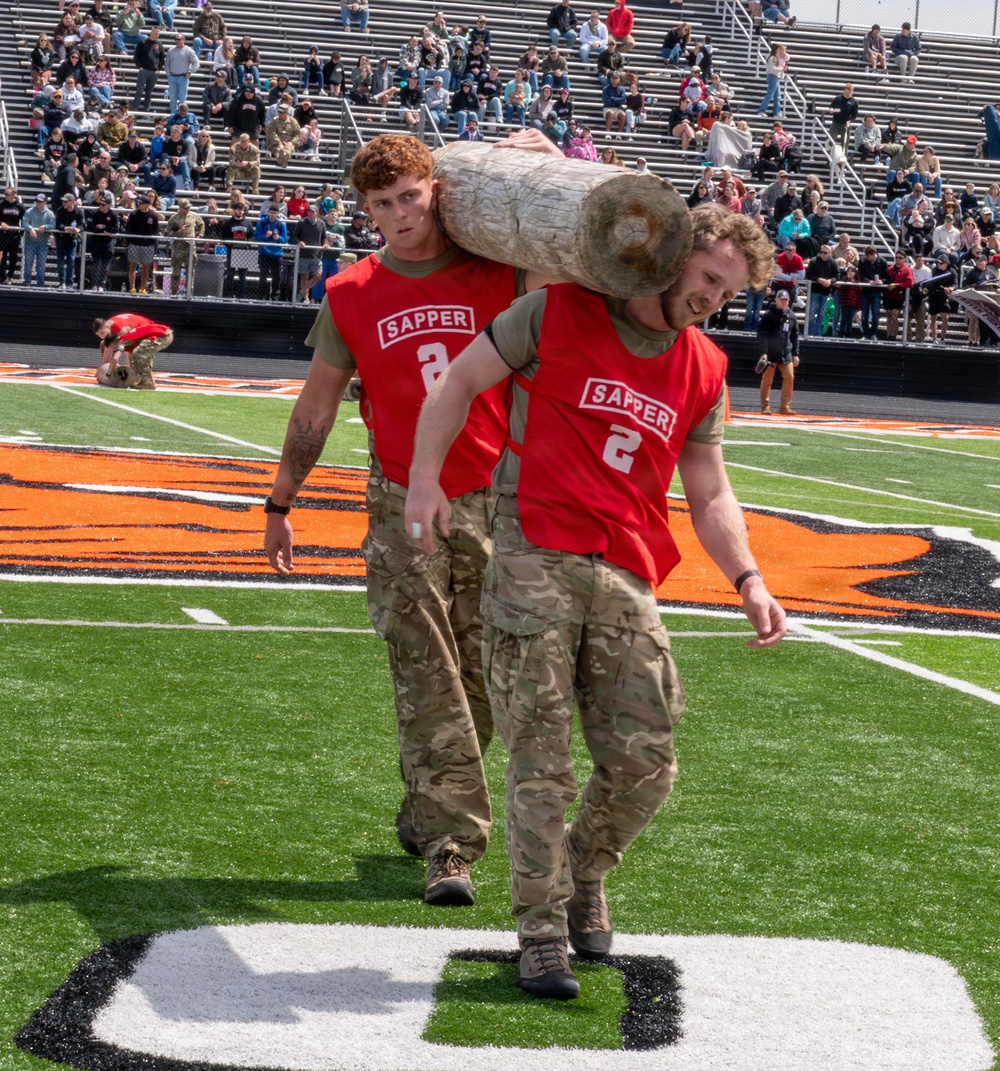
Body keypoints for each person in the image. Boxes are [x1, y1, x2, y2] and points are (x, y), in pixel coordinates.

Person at [404, 203, 785, 999]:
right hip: (535, 551)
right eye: (710, 276)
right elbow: (458, 381)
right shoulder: (560, 308)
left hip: (628, 568)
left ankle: (580, 870)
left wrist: (748, 577)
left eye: (732, 289)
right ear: (674, 256)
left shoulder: (706, 366)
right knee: (541, 760)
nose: (716, 296)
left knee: (647, 759)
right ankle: (541, 932)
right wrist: (425, 478)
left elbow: (709, 488)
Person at [263, 131, 562, 911]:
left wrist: (543, 162)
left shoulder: (498, 272)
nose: (400, 213)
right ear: (366, 211)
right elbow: (317, 405)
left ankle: (425, 805)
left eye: (410, 195)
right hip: (400, 502)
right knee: (424, 670)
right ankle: (452, 844)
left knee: (487, 677)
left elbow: (570, 270)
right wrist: (280, 501)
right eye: (383, 203)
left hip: (496, 498)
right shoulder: (350, 293)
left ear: (437, 190)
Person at [93, 312, 173, 389]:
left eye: (102, 333)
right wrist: (102, 370)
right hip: (157, 333)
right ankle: (139, 379)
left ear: (107, 327)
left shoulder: (122, 337)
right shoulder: (116, 335)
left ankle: (148, 382)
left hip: (161, 334)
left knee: (138, 353)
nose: (101, 337)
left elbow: (115, 358)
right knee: (136, 354)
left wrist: (109, 374)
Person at [756, 289, 800, 413]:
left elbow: (795, 336)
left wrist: (796, 353)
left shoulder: (791, 316)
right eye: (781, 300)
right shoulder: (768, 315)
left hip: (786, 353)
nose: (784, 302)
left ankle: (784, 407)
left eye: (786, 300)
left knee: (789, 377)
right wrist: (764, 352)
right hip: (770, 354)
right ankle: (765, 406)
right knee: (767, 380)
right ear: (776, 300)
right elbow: (762, 335)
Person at [165, 197, 204, 295]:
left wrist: (199, 236)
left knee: (191, 271)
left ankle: (189, 292)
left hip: (190, 247)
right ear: (180, 207)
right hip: (178, 248)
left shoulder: (194, 215)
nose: (188, 210)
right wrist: (179, 231)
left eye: (188, 207)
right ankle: (174, 292)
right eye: (185, 208)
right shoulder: (174, 218)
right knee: (176, 271)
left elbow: (202, 224)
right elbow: (168, 233)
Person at [124, 192, 160, 292]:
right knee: (133, 265)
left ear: (147, 204)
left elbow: (155, 230)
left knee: (145, 267)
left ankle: (143, 288)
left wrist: (151, 242)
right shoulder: (133, 214)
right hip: (134, 244)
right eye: (138, 203)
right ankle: (132, 287)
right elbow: (128, 229)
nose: (139, 204)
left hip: (148, 245)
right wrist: (130, 242)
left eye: (141, 203)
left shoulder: (153, 215)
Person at [84, 191, 119, 290]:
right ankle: (94, 284)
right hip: (96, 242)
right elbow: (90, 227)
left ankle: (102, 284)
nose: (101, 206)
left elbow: (116, 229)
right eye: (100, 204)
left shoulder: (113, 215)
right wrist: (106, 231)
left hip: (108, 243)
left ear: (109, 205)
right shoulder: (94, 212)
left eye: (103, 204)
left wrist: (103, 227)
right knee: (97, 263)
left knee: (105, 265)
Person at [22, 193, 56, 287]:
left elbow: (53, 225)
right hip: (30, 242)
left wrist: (45, 226)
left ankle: (40, 284)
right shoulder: (29, 211)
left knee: (41, 265)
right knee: (28, 264)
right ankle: (26, 282)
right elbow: (24, 222)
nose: (37, 203)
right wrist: (31, 228)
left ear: (45, 202)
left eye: (40, 201)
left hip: (43, 243)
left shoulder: (49, 213)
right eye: (36, 201)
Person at [254, 204, 287, 300]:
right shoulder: (262, 223)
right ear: (268, 212)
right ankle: (261, 296)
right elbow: (256, 237)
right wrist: (265, 236)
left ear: (278, 214)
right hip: (264, 253)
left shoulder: (281, 224)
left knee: (276, 277)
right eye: (271, 212)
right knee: (263, 276)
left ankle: (275, 297)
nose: (273, 215)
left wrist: (278, 238)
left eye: (275, 213)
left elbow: (284, 239)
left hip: (276, 254)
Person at [857, 245, 889, 339]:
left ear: (873, 254)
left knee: (875, 315)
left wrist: (881, 281)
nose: (866, 258)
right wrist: (868, 281)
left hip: (876, 291)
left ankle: (873, 333)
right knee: (864, 315)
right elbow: (860, 274)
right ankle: (866, 334)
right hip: (866, 291)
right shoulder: (862, 261)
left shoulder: (882, 262)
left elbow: (886, 276)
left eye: (868, 256)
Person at [805, 244, 837, 335]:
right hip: (814, 291)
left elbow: (836, 276)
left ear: (829, 253)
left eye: (825, 252)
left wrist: (830, 281)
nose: (822, 254)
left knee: (821, 313)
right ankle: (811, 332)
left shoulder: (833, 263)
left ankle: (817, 332)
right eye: (821, 252)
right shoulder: (814, 261)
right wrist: (818, 279)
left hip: (825, 292)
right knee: (811, 313)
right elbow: (808, 275)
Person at [54, 191, 84, 288]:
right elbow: (58, 224)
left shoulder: (79, 211)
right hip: (61, 239)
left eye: (66, 202)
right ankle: (61, 282)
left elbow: (82, 224)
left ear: (72, 202)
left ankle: (69, 284)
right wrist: (66, 228)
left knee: (71, 261)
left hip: (72, 240)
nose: (64, 203)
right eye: (63, 201)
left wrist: (78, 229)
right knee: (60, 262)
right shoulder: (60, 210)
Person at [165, 33, 199, 115]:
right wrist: (169, 75)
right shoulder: (170, 51)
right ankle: (173, 115)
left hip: (183, 77)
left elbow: (196, 63)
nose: (177, 41)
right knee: (172, 99)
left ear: (183, 40)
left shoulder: (189, 51)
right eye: (176, 39)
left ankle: (182, 115)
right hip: (172, 77)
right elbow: (166, 64)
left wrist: (190, 71)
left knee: (182, 100)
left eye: (179, 39)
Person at [1, 186, 28, 284]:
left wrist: (21, 233)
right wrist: (1, 223)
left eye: (7, 194)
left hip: (14, 235)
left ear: (13, 195)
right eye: (5, 194)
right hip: (2, 235)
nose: (5, 196)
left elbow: (25, 220)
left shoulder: (20, 206)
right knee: (2, 256)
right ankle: (3, 276)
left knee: (13, 256)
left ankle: (10, 276)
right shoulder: (2, 205)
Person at [758, 42, 787, 119]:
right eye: (779, 49)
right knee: (770, 95)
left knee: (777, 96)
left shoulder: (774, 57)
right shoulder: (772, 58)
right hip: (773, 76)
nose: (780, 50)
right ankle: (761, 110)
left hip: (775, 77)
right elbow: (772, 69)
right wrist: (782, 69)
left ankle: (776, 112)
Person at [826, 83, 858, 150]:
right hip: (836, 123)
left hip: (845, 125)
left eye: (849, 92)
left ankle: (843, 158)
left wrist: (850, 121)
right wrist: (831, 110)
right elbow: (831, 106)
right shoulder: (838, 98)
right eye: (846, 91)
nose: (847, 93)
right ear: (844, 90)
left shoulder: (854, 101)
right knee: (830, 141)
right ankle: (829, 158)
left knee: (844, 144)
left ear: (852, 92)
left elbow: (855, 114)